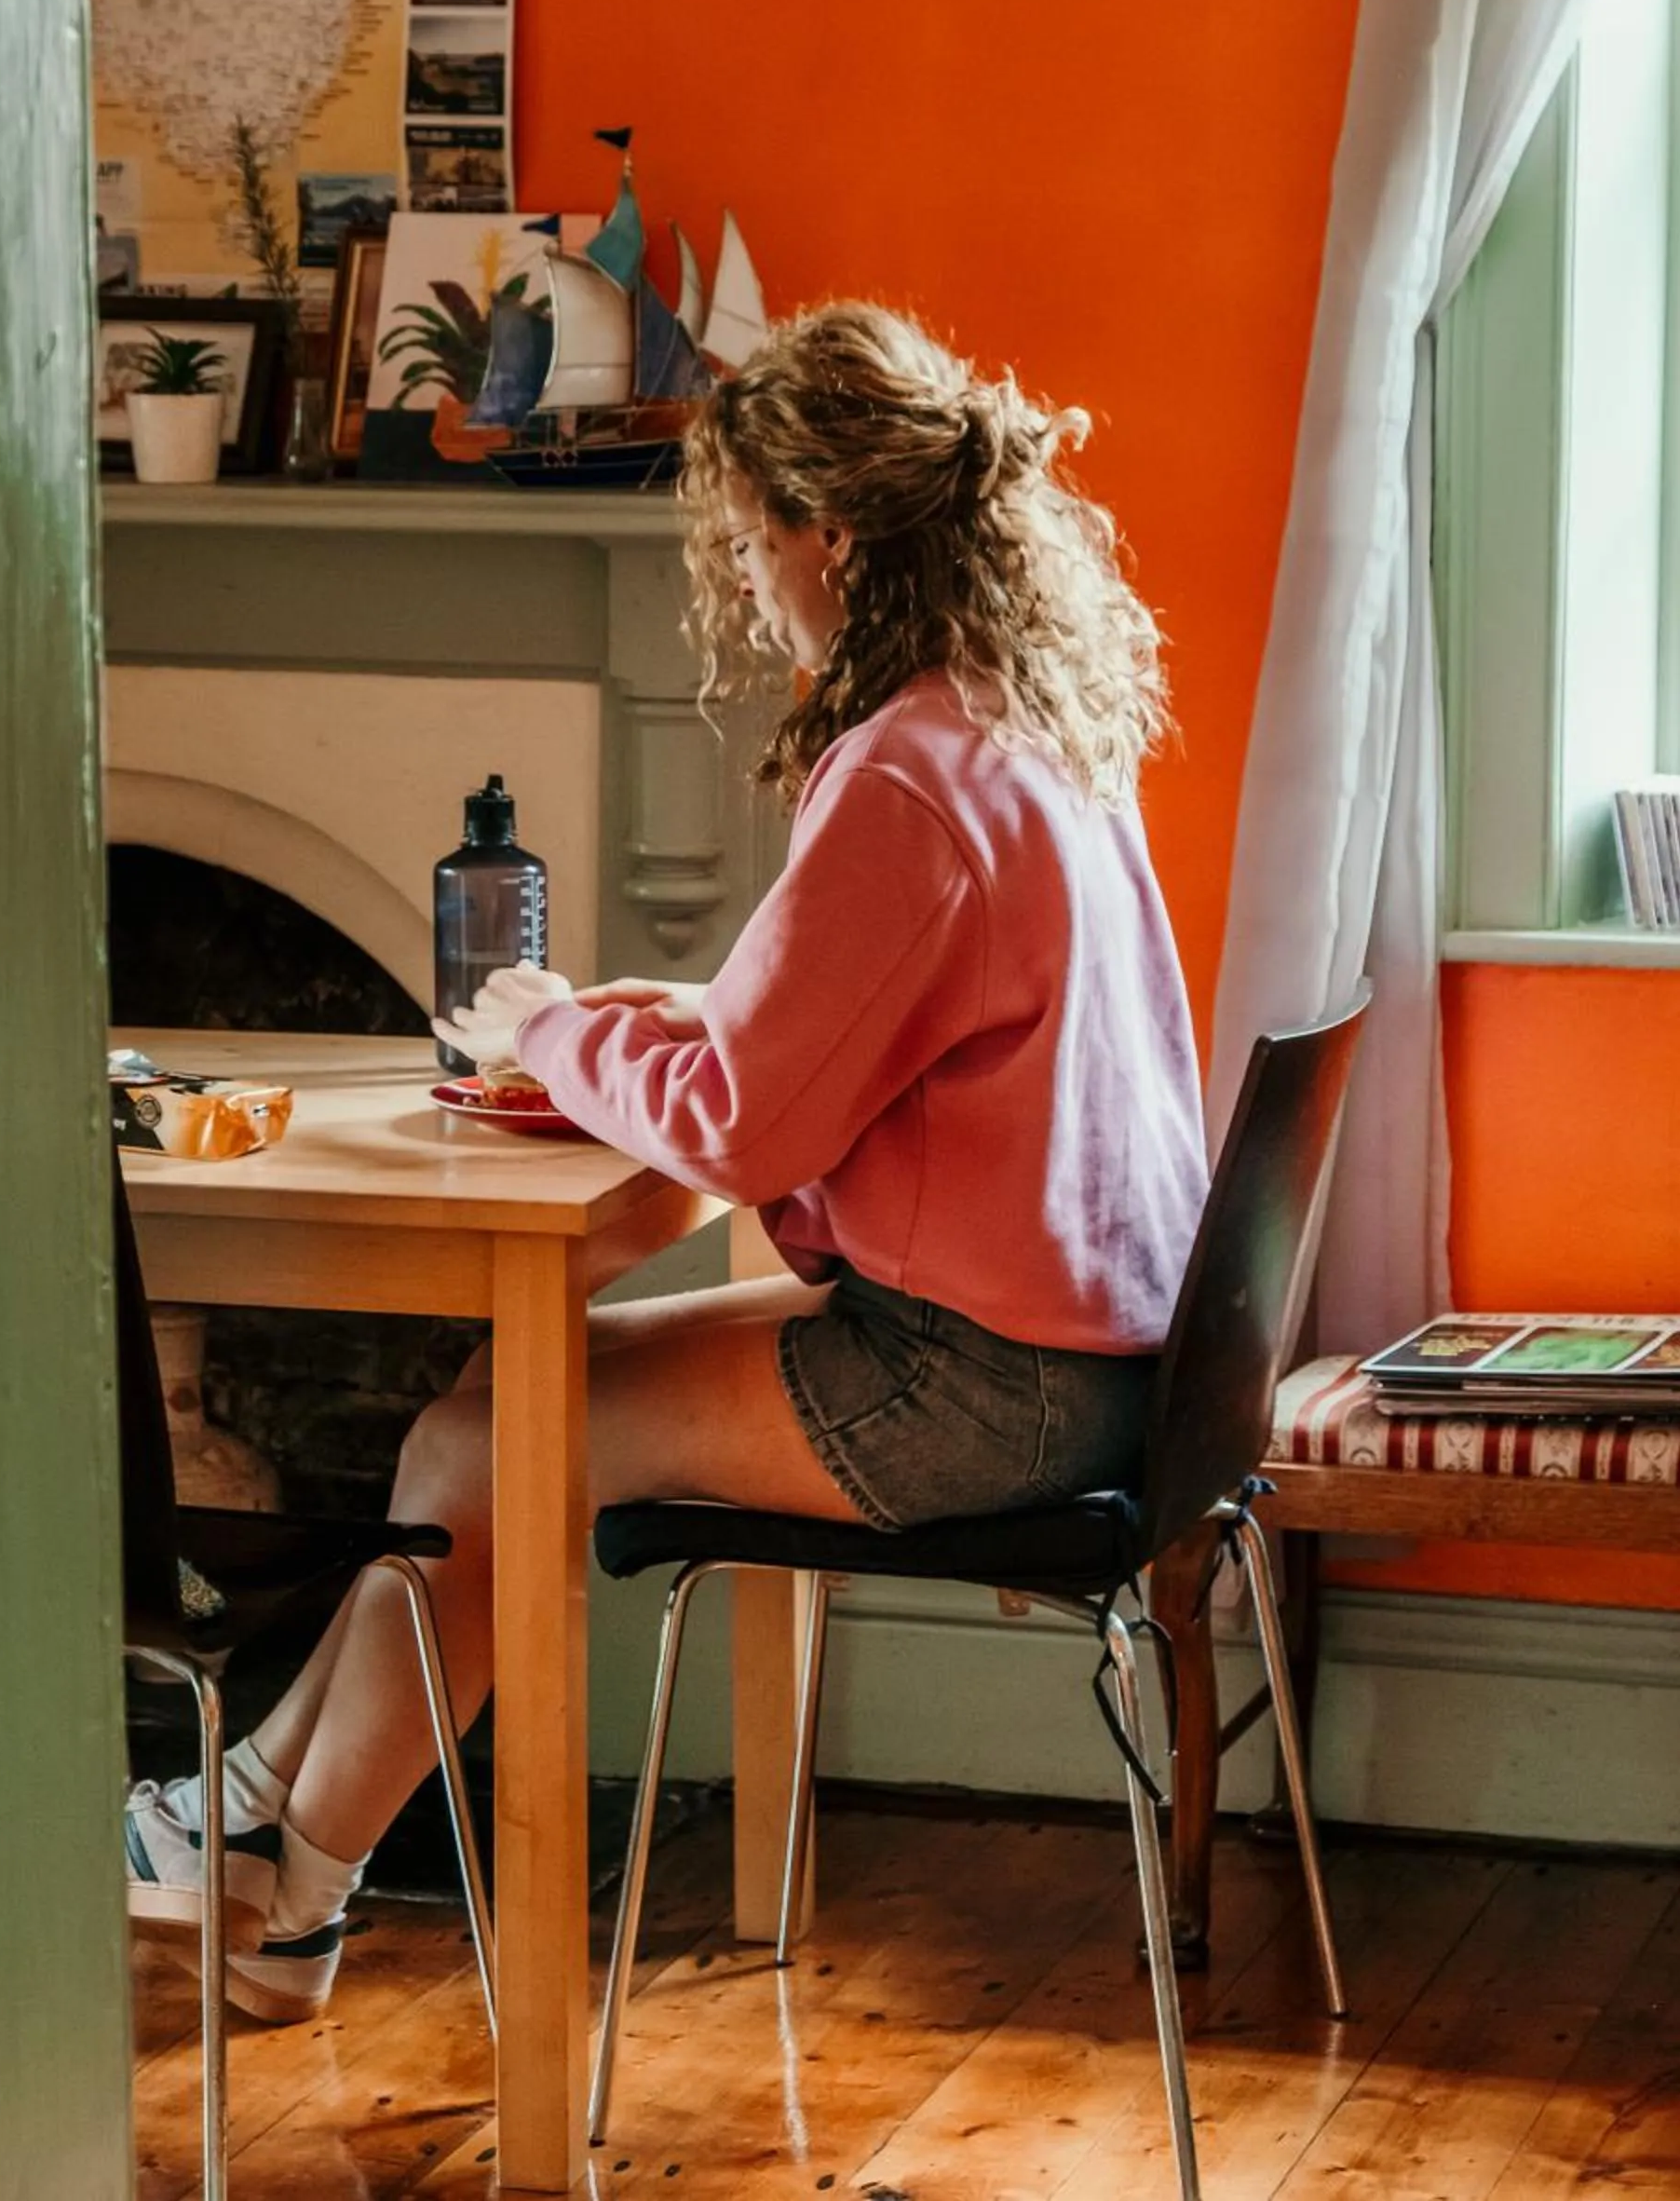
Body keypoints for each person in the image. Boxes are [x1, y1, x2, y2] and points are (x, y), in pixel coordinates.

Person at [125, 301, 1210, 2019]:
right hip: (1094, 1352)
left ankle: (276, 1885)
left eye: (752, 540)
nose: (754, 580)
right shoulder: (1022, 725)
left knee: (490, 1452)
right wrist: (682, 1000)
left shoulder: (907, 777)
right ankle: (256, 1835)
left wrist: (549, 1022)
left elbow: (741, 1128)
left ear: (829, 535)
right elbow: (895, 1017)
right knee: (470, 1430)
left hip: (975, 1380)